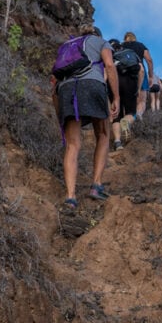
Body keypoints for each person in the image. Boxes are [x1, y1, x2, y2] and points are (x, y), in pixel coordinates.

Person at [51, 24, 118, 208]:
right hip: (92, 85)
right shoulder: (101, 42)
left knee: (72, 145)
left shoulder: (67, 46)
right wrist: (116, 98)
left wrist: (60, 115)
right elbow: (110, 66)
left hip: (66, 90)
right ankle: (96, 185)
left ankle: (71, 197)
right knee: (103, 135)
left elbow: (54, 81)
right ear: (97, 34)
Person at [110, 36, 143, 150]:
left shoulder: (110, 56)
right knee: (131, 111)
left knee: (116, 115)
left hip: (114, 84)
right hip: (130, 83)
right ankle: (127, 122)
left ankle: (117, 142)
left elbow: (107, 71)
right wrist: (138, 88)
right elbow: (141, 70)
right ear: (120, 45)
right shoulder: (130, 53)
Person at [120, 31, 156, 119]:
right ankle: (137, 116)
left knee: (125, 99)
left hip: (124, 74)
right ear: (134, 38)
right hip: (140, 72)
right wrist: (151, 75)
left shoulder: (121, 46)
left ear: (125, 38)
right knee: (142, 100)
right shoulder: (140, 45)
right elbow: (149, 60)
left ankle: (126, 118)